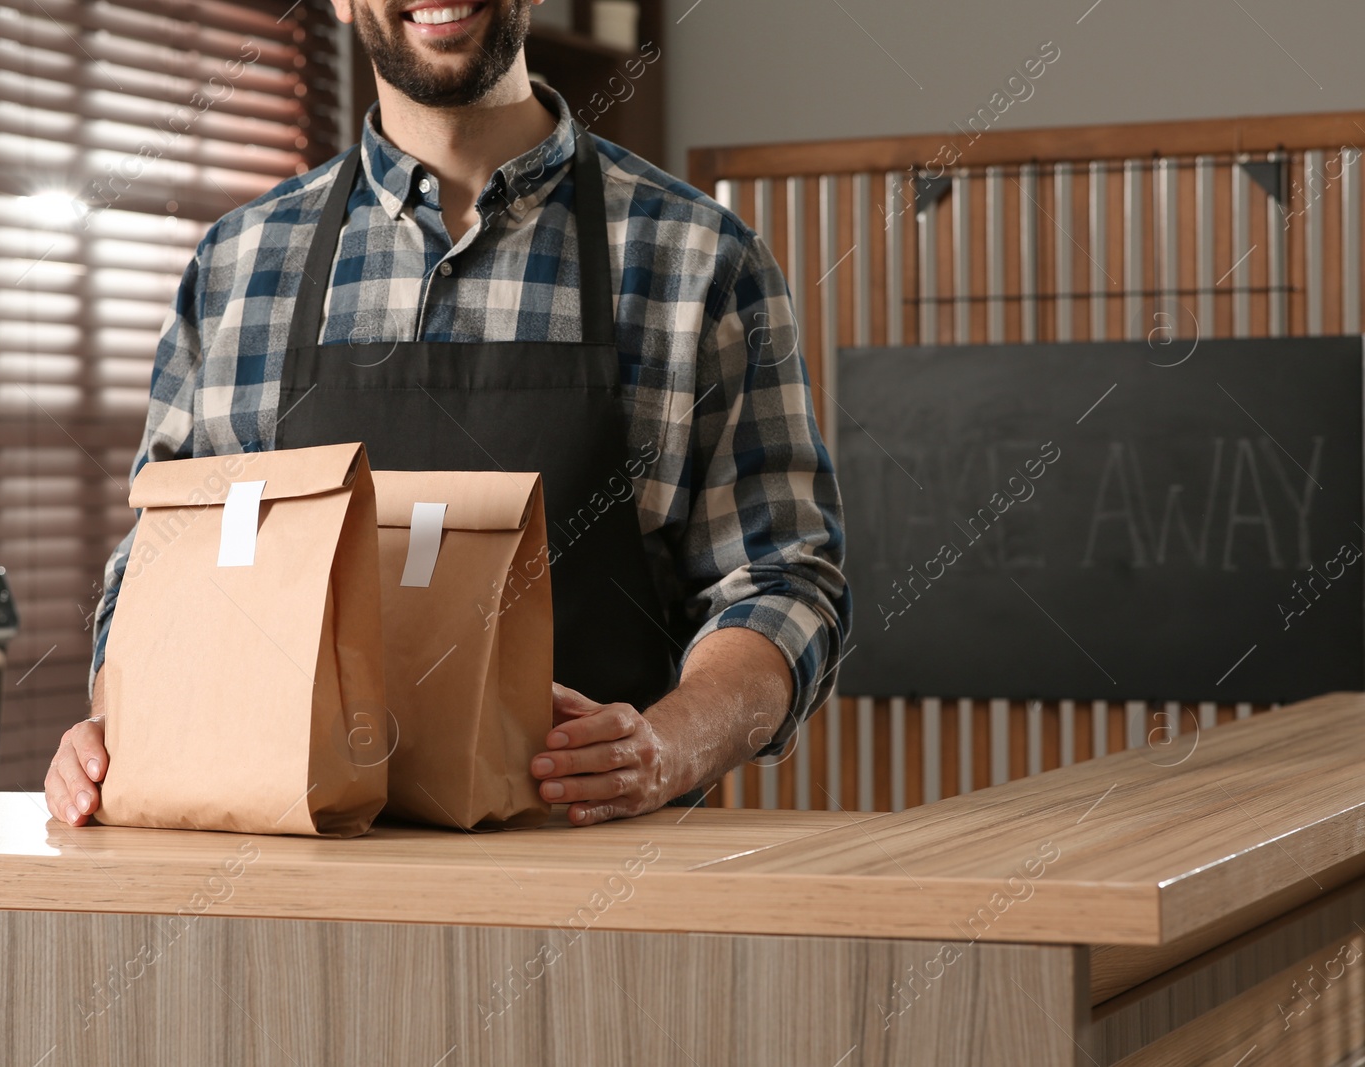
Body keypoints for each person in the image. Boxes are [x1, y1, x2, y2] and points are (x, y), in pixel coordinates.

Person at [45, 0, 848, 828]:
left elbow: (783, 580)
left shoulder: (699, 261)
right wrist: (120, 724)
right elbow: (158, 568)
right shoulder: (237, 268)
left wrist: (665, 748)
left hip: (601, 898)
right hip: (289, 899)